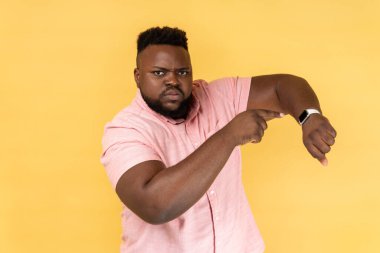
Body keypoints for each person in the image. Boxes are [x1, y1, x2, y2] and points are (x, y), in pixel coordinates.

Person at [100, 26, 337, 253]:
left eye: (182, 72)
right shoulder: (125, 130)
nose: (172, 80)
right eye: (159, 73)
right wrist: (230, 135)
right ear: (138, 77)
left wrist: (309, 117)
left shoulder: (217, 96)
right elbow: (155, 205)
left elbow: (282, 85)